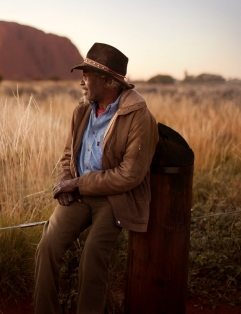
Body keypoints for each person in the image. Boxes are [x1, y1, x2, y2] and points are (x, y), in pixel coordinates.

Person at [34, 43, 159, 314]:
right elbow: (68, 154)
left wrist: (78, 183)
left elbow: (130, 174)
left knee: (93, 255)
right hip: (79, 193)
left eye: (87, 75)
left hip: (115, 199)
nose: (82, 81)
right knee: (47, 247)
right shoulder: (82, 110)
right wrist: (65, 181)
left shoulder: (139, 116)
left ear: (106, 80)